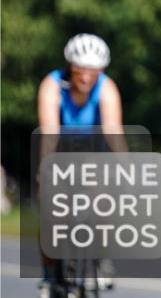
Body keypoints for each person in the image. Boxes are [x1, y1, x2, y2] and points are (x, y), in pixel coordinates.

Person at [36, 33, 124, 298]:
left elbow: (112, 130)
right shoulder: (52, 85)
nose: (86, 77)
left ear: (101, 71)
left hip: (93, 154)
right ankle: (50, 274)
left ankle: (102, 257)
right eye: (79, 70)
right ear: (70, 68)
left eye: (92, 71)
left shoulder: (107, 88)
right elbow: (49, 132)